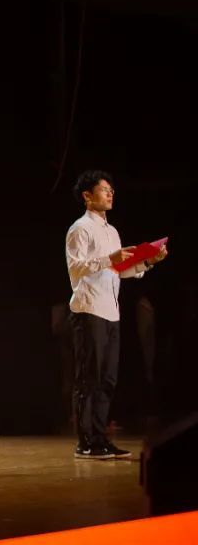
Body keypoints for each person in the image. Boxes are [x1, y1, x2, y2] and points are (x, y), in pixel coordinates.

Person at [66, 169, 166, 459]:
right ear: (87, 196)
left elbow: (118, 271)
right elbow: (76, 268)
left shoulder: (112, 232)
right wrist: (108, 258)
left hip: (111, 311)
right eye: (104, 189)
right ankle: (85, 442)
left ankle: (100, 437)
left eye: (111, 189)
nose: (110, 193)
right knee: (89, 378)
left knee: (107, 379)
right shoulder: (80, 228)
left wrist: (147, 262)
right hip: (89, 309)